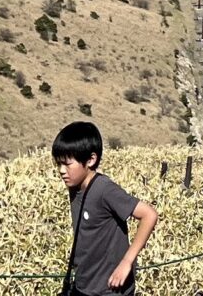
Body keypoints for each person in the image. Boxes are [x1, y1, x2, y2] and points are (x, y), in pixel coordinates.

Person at [53, 120, 157, 296]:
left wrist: (127, 261)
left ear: (91, 160)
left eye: (67, 164)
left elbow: (149, 215)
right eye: (59, 164)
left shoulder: (104, 190)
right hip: (84, 285)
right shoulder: (75, 187)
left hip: (110, 289)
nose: (62, 170)